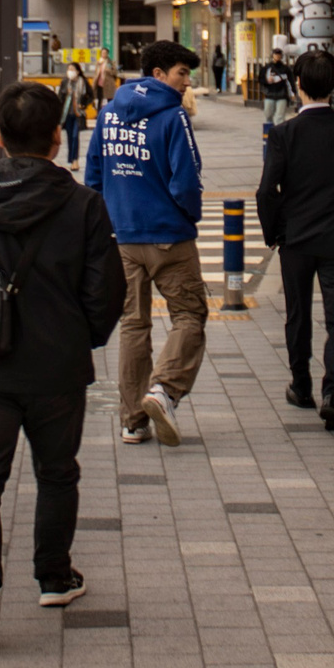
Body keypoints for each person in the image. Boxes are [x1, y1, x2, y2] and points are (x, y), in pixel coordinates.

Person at [0, 81, 123, 650]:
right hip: (59, 364)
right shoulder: (83, 204)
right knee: (57, 472)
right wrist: (82, 336)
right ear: (58, 138)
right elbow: (107, 290)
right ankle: (54, 577)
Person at [87, 39, 205, 446]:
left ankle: (133, 420)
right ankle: (164, 389)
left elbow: (94, 175)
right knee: (189, 316)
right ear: (158, 74)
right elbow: (186, 180)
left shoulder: (108, 113)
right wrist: (190, 216)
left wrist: (113, 218)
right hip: (169, 236)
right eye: (182, 74)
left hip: (123, 237)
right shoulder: (173, 116)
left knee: (133, 324)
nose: (186, 83)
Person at [257, 49, 334, 431]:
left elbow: (266, 191)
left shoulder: (283, 134)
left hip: (297, 238)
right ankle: (333, 394)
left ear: (298, 85)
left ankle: (301, 385)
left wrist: (275, 232)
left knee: (298, 313)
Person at [60, 62, 90, 165]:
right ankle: (71, 158)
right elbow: (60, 97)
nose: (70, 72)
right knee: (69, 137)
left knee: (75, 136)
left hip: (78, 114)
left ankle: (75, 160)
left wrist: (83, 104)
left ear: (77, 71)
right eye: (69, 69)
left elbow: (90, 95)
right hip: (67, 114)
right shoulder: (65, 82)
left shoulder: (83, 82)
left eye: (72, 69)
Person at [258, 45, 295, 127]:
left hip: (282, 95)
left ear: (281, 56)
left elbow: (291, 81)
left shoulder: (285, 69)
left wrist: (294, 92)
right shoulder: (266, 68)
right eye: (276, 54)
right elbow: (260, 79)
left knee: (280, 117)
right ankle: (270, 131)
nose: (277, 56)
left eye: (279, 54)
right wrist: (267, 81)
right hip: (269, 94)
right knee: (268, 115)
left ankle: (279, 132)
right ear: (272, 55)